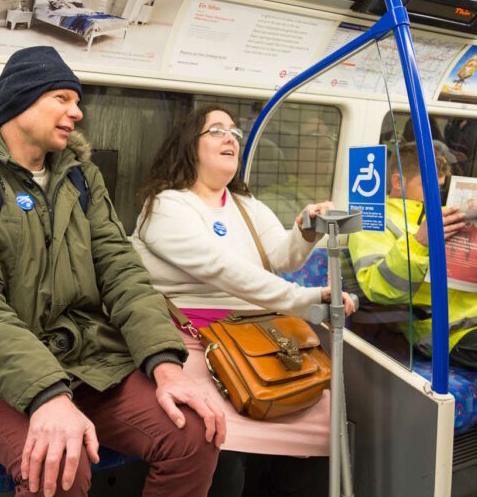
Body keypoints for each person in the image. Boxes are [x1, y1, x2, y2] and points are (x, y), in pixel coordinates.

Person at [0, 46, 225, 497]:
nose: (77, 112)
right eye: (63, 98)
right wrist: (47, 394)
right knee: (59, 469)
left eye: (78, 101)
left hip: (90, 361)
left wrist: (165, 364)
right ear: (23, 100)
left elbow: (123, 274)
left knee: (193, 434)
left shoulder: (82, 178)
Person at [132, 105, 356, 497]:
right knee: (220, 444)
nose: (229, 138)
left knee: (323, 435)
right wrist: (300, 300)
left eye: (234, 132)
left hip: (259, 336)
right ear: (189, 145)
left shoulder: (247, 206)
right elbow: (223, 270)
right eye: (216, 130)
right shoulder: (166, 206)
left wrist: (304, 231)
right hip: (197, 340)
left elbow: (280, 257)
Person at [348, 144, 477, 409]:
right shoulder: (373, 221)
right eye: (428, 185)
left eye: (439, 187)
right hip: (452, 329)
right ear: (397, 182)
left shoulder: (448, 215)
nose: (435, 194)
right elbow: (379, 288)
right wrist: (420, 242)